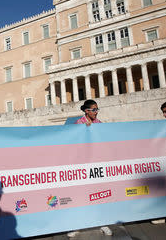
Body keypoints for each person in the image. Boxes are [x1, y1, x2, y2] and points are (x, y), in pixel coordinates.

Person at [67, 100, 113, 237]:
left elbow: (105, 141)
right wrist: (84, 131)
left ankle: (103, 223)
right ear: (86, 111)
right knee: (81, 196)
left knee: (99, 194)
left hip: (97, 165)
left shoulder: (99, 124)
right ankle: (77, 226)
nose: (96, 112)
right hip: (82, 165)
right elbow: (73, 143)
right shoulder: (78, 124)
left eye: (97, 109)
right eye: (94, 109)